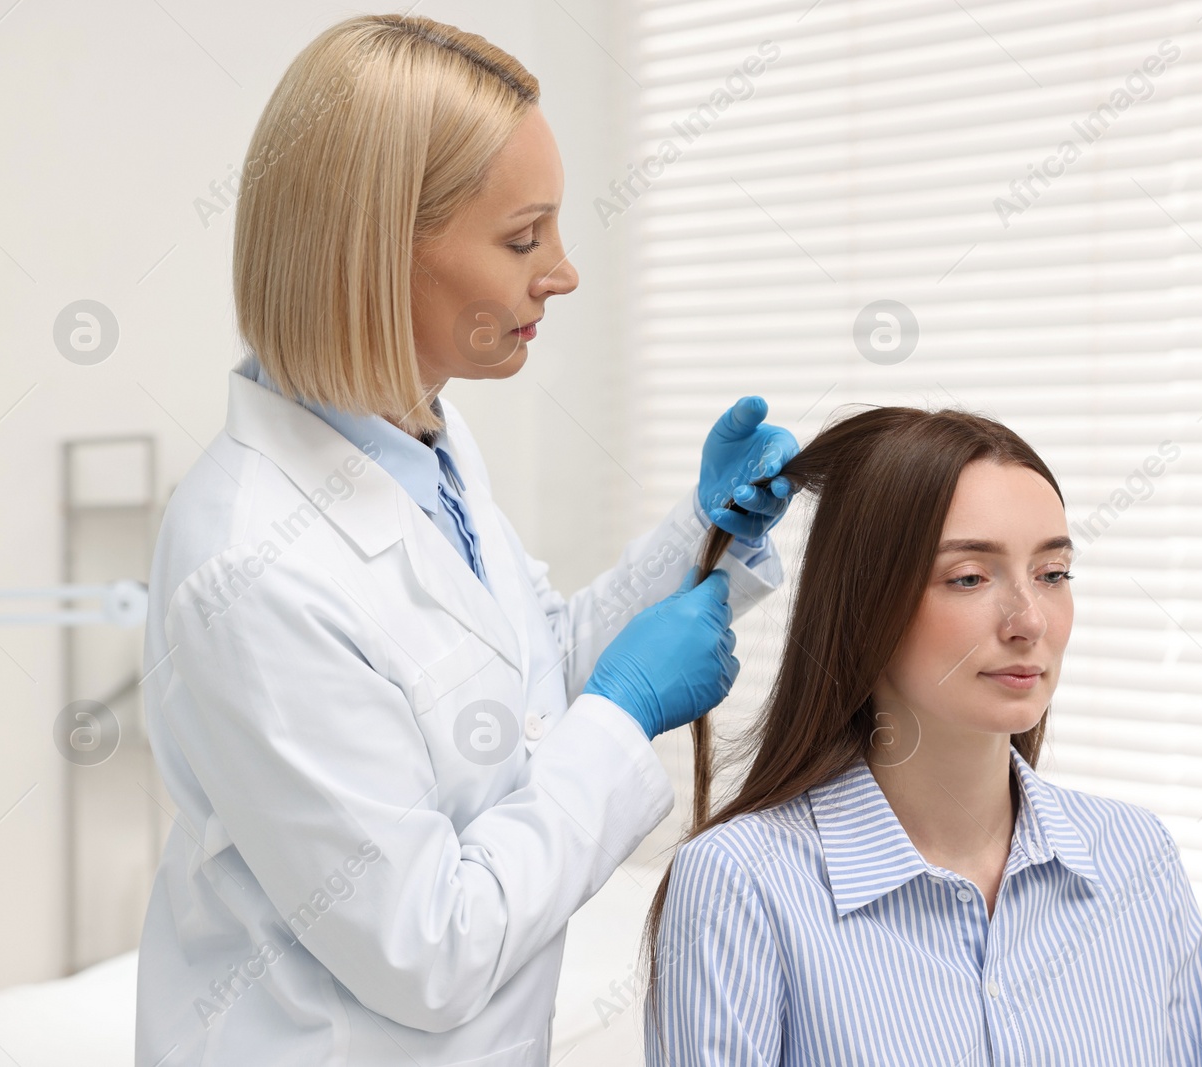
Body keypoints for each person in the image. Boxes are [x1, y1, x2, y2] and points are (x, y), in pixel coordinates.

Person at [133, 14, 798, 1066]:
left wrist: (697, 536)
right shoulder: (247, 565)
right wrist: (624, 714)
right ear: (373, 248)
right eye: (523, 237)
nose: (564, 273)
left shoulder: (422, 439)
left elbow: (519, 697)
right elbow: (425, 946)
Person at [646, 406, 1202, 1065]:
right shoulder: (741, 883)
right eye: (970, 577)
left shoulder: (1137, 858)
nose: (1028, 619)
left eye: (1053, 574)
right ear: (866, 603)